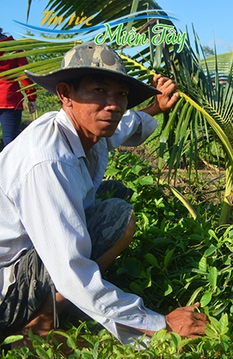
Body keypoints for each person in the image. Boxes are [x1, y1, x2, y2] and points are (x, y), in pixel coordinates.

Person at [0, 42, 208, 348]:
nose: (113, 104)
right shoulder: (48, 160)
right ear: (65, 94)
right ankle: (40, 327)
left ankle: (46, 316)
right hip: (7, 288)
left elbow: (123, 126)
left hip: (22, 258)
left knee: (115, 192)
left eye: (121, 95)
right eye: (99, 90)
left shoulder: (84, 128)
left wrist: (156, 108)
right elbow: (73, 272)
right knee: (116, 216)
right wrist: (160, 325)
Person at [0, 28, 37, 147]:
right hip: (10, 99)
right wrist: (31, 97)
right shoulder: (14, 47)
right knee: (10, 145)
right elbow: (24, 74)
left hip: (10, 101)